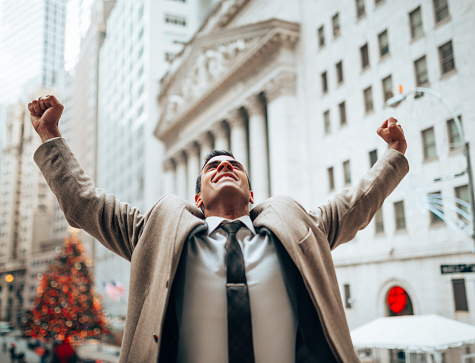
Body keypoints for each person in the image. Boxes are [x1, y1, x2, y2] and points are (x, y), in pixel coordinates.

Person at [29, 95, 408, 363]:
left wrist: (393, 156)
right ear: (198, 200)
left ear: (251, 192)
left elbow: (353, 206)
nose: (224, 167)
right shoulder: (157, 235)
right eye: (213, 168)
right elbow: (87, 204)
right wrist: (51, 138)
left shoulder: (297, 231)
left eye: (234, 166)